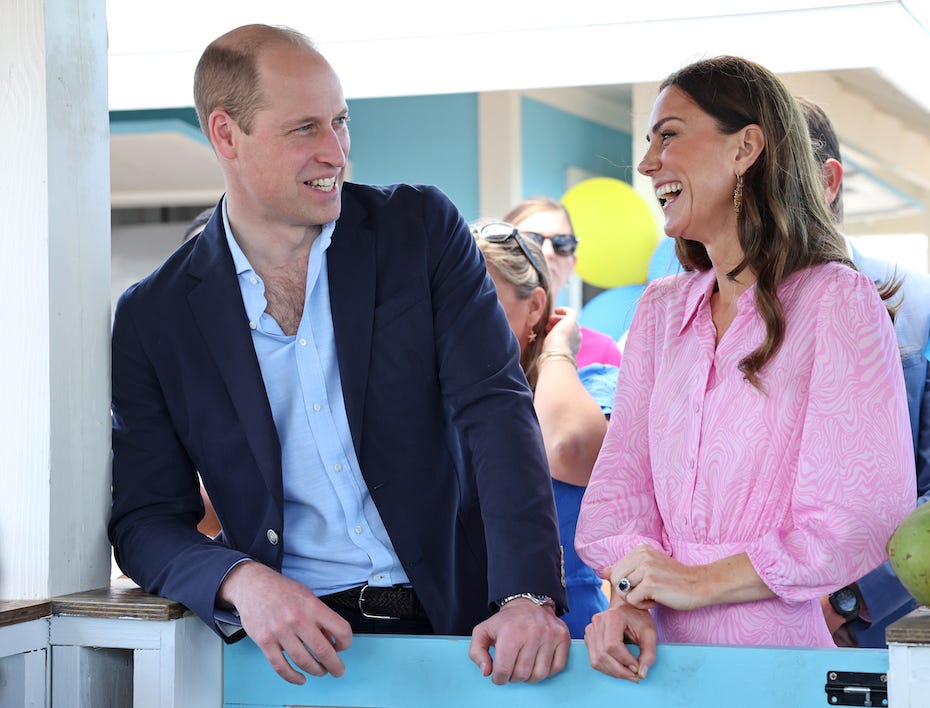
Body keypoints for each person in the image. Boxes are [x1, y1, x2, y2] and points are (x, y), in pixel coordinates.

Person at [109, 23, 570, 688]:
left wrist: (526, 595)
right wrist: (240, 580)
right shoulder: (155, 315)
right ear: (225, 135)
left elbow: (495, 411)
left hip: (467, 633)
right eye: (304, 130)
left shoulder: (421, 229)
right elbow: (147, 517)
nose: (336, 152)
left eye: (341, 122)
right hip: (293, 656)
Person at [575, 55, 916, 682]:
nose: (648, 162)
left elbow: (859, 514)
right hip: (648, 663)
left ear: (746, 148)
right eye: (649, 141)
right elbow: (618, 495)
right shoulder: (659, 309)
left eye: (669, 134)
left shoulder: (836, 299)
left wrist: (698, 581)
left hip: (773, 667)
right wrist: (632, 596)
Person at [799, 96, 930, 647]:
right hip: (726, 638)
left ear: (827, 180)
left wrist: (853, 602)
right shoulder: (697, 313)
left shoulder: (916, 309)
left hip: (869, 639)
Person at [473, 221, 615, 638]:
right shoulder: (435, 401)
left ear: (535, 307)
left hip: (571, 641)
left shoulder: (592, 385)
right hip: (462, 641)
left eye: (480, 300)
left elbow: (566, 447)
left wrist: (556, 352)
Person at [504, 197, 622, 368]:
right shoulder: (479, 337)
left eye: (562, 243)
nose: (548, 252)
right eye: (531, 240)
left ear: (572, 264)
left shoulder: (602, 350)